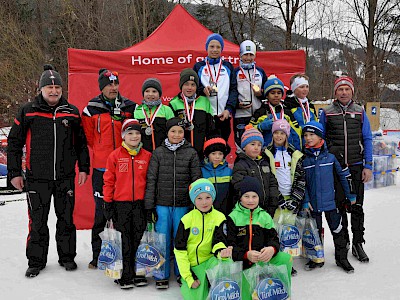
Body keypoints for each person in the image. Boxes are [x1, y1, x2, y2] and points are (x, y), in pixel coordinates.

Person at [7, 65, 90, 277]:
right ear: (41, 89)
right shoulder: (28, 110)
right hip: (36, 178)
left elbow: (81, 143)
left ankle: (67, 257)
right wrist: (14, 173)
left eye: (57, 87)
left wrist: (84, 168)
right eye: (49, 87)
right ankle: (36, 261)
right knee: (37, 221)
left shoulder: (71, 112)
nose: (54, 91)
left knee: (66, 219)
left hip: (65, 177)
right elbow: (14, 143)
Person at [82, 68, 136, 269]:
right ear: (102, 87)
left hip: (124, 168)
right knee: (101, 212)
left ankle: (125, 253)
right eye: (108, 85)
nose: (113, 88)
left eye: (115, 84)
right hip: (102, 169)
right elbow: (87, 138)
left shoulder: (130, 106)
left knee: (124, 212)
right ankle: (98, 255)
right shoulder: (90, 110)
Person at [319, 76, 373, 263]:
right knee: (340, 207)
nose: (344, 92)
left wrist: (368, 165)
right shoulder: (326, 112)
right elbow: (321, 139)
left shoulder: (360, 111)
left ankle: (358, 243)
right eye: (340, 89)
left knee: (357, 206)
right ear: (335, 93)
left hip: (357, 166)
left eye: (347, 89)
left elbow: (367, 138)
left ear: (352, 91)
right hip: (336, 169)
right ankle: (343, 243)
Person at [144, 117, 202, 289]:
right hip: (162, 204)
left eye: (180, 132)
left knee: (181, 240)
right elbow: (151, 180)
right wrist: (149, 205)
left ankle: (182, 272)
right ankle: (161, 273)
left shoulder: (191, 153)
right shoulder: (158, 153)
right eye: (173, 131)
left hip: (183, 205)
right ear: (167, 133)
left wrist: (196, 203)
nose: (176, 135)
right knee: (162, 239)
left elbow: (196, 179)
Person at [102, 119, 152, 289]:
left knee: (139, 237)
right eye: (130, 133)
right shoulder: (115, 155)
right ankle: (125, 274)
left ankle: (139, 272)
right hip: (120, 204)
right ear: (123, 136)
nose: (134, 136)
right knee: (125, 239)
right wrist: (108, 202)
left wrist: (149, 204)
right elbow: (109, 181)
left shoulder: (146, 156)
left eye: (137, 133)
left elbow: (150, 182)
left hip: (140, 204)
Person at [302, 121, 357, 273]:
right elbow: (302, 182)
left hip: (331, 203)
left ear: (320, 137)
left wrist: (350, 195)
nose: (308, 138)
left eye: (311, 134)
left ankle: (342, 258)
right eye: (305, 135)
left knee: (338, 230)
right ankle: (315, 258)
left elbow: (344, 177)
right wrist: (306, 200)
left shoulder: (331, 157)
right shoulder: (304, 159)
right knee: (314, 232)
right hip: (313, 204)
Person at [226, 176, 293, 299]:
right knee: (249, 296)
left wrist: (272, 249)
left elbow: (274, 239)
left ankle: (282, 292)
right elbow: (231, 246)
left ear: (259, 197)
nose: (250, 200)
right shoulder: (233, 217)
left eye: (254, 196)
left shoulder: (265, 216)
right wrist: (246, 255)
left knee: (285, 258)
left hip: (262, 261)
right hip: (243, 264)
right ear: (240, 197)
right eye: (246, 196)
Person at [174, 178, 232, 300]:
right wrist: (189, 277)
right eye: (199, 198)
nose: (204, 202)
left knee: (228, 264)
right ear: (193, 200)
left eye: (208, 197)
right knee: (196, 295)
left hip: (211, 259)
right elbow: (180, 251)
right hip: (193, 265)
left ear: (213, 198)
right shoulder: (186, 220)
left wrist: (222, 252)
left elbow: (219, 240)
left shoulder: (219, 217)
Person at [264, 119, 305, 276]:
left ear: (287, 135)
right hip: (276, 200)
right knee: (274, 231)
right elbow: (268, 179)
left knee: (288, 232)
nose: (279, 136)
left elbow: (301, 177)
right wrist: (278, 198)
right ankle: (274, 260)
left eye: (282, 133)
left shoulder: (294, 154)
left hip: (291, 199)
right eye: (276, 133)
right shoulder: (267, 154)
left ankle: (288, 262)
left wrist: (295, 199)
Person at [193, 33, 238, 141]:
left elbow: (233, 90)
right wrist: (202, 90)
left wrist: (228, 110)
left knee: (223, 146)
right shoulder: (199, 67)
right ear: (206, 48)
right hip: (206, 115)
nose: (215, 50)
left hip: (224, 115)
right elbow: (193, 87)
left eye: (218, 47)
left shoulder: (227, 66)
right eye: (211, 46)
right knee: (207, 146)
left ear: (222, 49)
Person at [231, 125, 281, 217]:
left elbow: (272, 183)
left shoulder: (265, 163)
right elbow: (238, 185)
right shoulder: (240, 164)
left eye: (259, 144)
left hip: (267, 210)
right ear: (244, 147)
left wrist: (273, 203)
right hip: (249, 210)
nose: (256, 147)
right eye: (252, 144)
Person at [169, 68, 214, 158]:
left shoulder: (205, 101)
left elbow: (211, 127)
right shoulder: (174, 103)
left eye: (193, 85)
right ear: (181, 85)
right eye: (186, 84)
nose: (189, 88)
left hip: (201, 152)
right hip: (181, 153)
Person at [251, 75, 301, 149]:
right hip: (266, 152)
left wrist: (297, 151)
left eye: (279, 93)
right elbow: (249, 131)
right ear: (267, 95)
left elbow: (296, 132)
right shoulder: (260, 112)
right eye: (273, 93)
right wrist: (260, 127)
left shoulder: (287, 112)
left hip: (286, 151)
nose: (276, 95)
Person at [234, 40, 267, 147]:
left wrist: (260, 94)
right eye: (245, 54)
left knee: (258, 145)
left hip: (258, 114)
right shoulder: (235, 72)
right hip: (241, 115)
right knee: (242, 145)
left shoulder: (260, 72)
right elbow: (230, 93)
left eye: (251, 55)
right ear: (240, 55)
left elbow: (267, 94)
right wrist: (237, 105)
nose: (248, 58)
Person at [134, 78, 174, 152]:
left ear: (159, 94)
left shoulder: (166, 110)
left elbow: (173, 131)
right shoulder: (137, 111)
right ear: (143, 94)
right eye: (147, 91)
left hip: (163, 153)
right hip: (143, 154)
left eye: (154, 91)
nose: (150, 94)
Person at [284, 74, 318, 150]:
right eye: (301, 87)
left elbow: (316, 123)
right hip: (296, 145)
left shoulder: (310, 105)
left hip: (311, 145)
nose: (305, 89)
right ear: (294, 89)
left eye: (307, 86)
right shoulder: (288, 105)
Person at [201, 136, 233, 215]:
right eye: (213, 153)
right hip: (206, 211)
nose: (217, 156)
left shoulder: (229, 171)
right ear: (207, 155)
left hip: (225, 210)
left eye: (220, 154)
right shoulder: (201, 171)